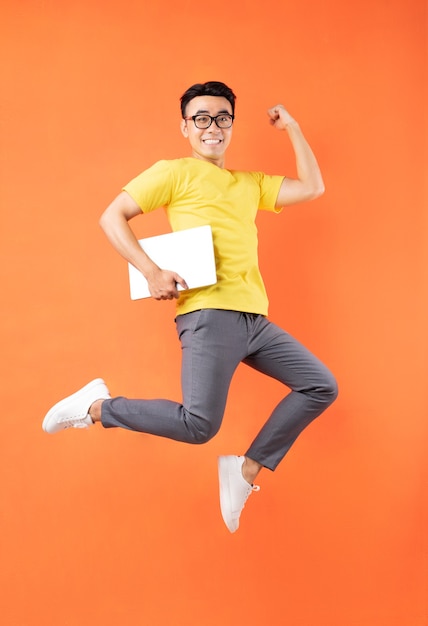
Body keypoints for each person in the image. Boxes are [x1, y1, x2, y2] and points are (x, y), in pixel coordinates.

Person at [42, 81, 338, 533]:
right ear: (185, 127)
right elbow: (111, 216)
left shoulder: (249, 184)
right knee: (199, 424)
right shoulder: (175, 172)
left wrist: (293, 127)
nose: (212, 127)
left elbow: (313, 188)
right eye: (201, 118)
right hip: (209, 314)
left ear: (232, 125)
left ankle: (245, 470)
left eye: (222, 118)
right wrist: (150, 270)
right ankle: (97, 407)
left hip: (254, 318)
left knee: (320, 385)